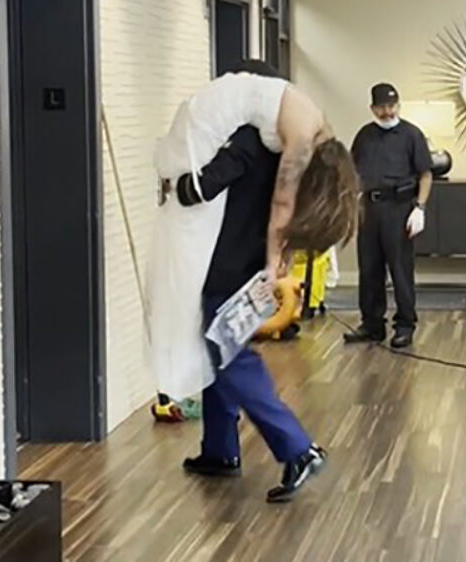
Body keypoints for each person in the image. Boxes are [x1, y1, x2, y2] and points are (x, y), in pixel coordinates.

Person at [151, 61, 361, 502]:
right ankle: (220, 448)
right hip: (248, 260)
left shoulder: (249, 138)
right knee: (216, 348)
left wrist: (180, 190)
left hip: (226, 259)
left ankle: (298, 449)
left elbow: (211, 182)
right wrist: (275, 261)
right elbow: (281, 211)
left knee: (227, 354)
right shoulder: (289, 148)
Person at [343, 83, 433, 348]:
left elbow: (425, 174)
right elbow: (353, 172)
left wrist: (420, 208)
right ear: (373, 108)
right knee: (369, 269)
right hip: (369, 208)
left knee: (400, 270)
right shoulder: (364, 136)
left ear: (398, 105)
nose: (388, 112)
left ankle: (404, 325)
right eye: (382, 107)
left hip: (399, 208)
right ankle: (372, 325)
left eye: (392, 106)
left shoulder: (411, 135)